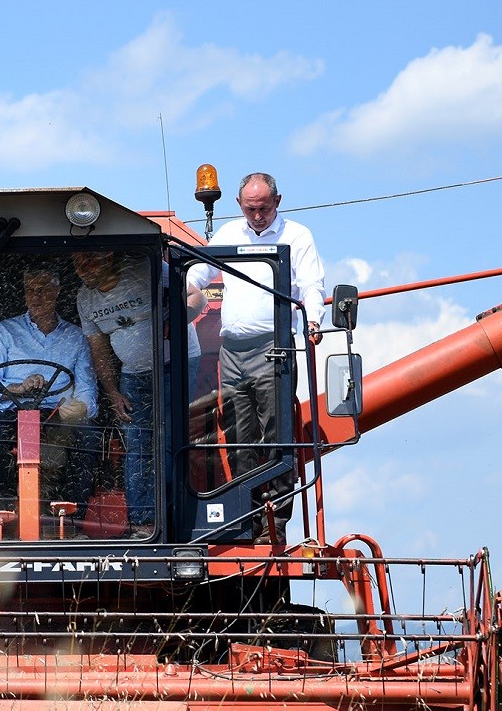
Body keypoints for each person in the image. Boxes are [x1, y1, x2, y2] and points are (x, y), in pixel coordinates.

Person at [187, 173, 327, 525]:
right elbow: (196, 273)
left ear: (277, 202)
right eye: (251, 209)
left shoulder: (297, 236)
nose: (258, 215)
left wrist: (312, 319)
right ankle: (245, 516)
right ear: (239, 206)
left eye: (264, 208)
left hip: (274, 349)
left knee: (275, 436)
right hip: (231, 351)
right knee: (237, 438)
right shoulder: (228, 235)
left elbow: (312, 284)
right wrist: (179, 289)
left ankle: (274, 522)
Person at [73, 249, 204, 537]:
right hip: (133, 374)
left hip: (177, 364)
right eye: (78, 262)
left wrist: (179, 319)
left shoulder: (146, 268)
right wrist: (112, 392)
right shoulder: (85, 298)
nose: (84, 266)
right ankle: (145, 522)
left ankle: (172, 519)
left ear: (110, 257)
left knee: (170, 441)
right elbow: (99, 349)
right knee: (138, 446)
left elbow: (197, 297)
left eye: (90, 259)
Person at [0, 266, 101, 522]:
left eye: (42, 290)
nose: (35, 297)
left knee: (88, 439)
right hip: (12, 410)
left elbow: (87, 388)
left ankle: (74, 517)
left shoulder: (75, 337)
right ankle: (0, 512)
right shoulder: (3, 332)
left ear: (56, 293)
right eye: (30, 290)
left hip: (57, 413)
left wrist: (82, 407)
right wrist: (19, 388)